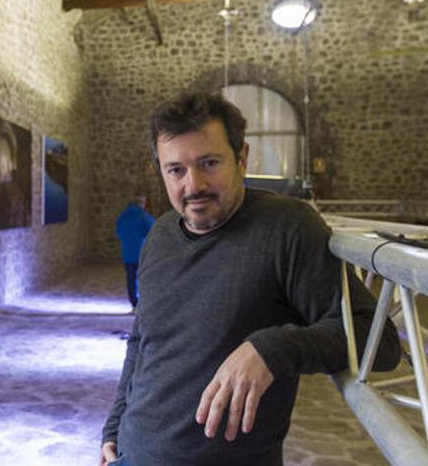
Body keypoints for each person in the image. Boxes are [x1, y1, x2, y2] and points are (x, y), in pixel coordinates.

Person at [99, 92, 401, 466]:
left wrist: (274, 348)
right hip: (131, 453)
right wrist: (113, 428)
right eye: (175, 169)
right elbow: (142, 340)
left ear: (242, 158)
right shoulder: (160, 235)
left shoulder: (288, 228)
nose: (193, 185)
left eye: (209, 163)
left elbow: (380, 341)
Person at [115, 195, 155, 310]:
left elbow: (118, 232)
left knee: (130, 278)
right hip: (142, 253)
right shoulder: (144, 216)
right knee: (143, 278)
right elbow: (153, 232)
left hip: (127, 253)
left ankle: (134, 304)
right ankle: (143, 304)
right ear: (142, 203)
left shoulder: (122, 217)